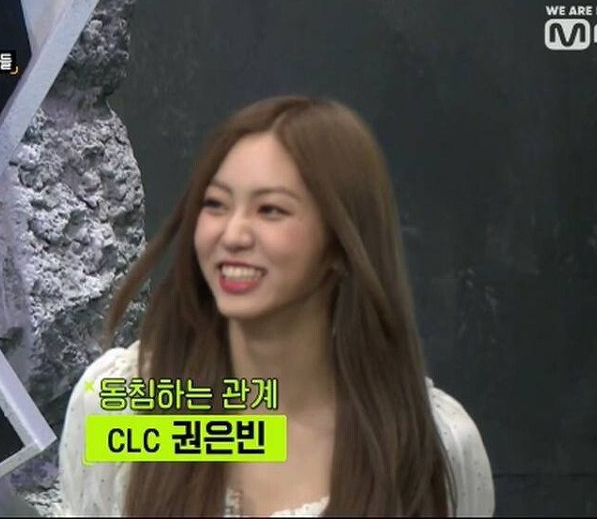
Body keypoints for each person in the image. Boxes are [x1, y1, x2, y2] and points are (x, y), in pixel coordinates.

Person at [58, 96, 494, 516]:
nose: (233, 235)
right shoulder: (127, 404)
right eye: (215, 204)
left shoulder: (429, 443)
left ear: (342, 243)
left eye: (270, 210)